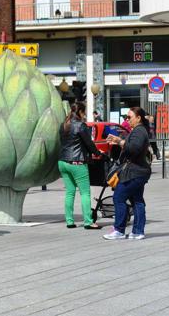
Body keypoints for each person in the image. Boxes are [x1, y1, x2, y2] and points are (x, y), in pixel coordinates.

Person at [103, 107, 152, 240]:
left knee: (118, 197)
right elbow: (132, 148)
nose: (127, 119)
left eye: (129, 117)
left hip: (134, 172)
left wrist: (120, 141)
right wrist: (119, 142)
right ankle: (137, 231)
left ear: (138, 118)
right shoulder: (139, 130)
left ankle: (119, 229)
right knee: (137, 200)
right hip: (139, 171)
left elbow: (134, 149)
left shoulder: (139, 131)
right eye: (126, 117)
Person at [58, 102, 105, 230]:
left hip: (62, 162)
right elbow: (89, 143)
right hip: (77, 162)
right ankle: (88, 222)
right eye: (84, 112)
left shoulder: (63, 125)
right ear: (80, 112)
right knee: (85, 193)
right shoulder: (80, 125)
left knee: (70, 192)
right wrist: (97, 153)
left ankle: (69, 221)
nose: (84, 115)